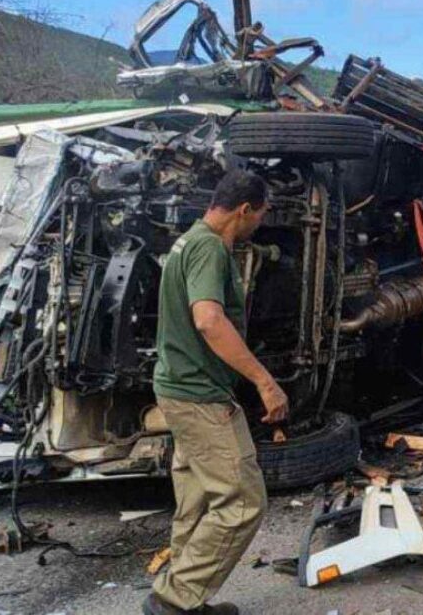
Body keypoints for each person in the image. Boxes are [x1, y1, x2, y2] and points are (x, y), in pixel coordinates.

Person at [145, 170, 289, 615]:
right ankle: (173, 601)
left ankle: (186, 598)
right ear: (244, 210)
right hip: (198, 394)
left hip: (177, 388)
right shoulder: (209, 248)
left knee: (199, 498)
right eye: (260, 215)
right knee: (243, 502)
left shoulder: (188, 241)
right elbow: (208, 319)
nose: (259, 225)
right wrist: (264, 381)